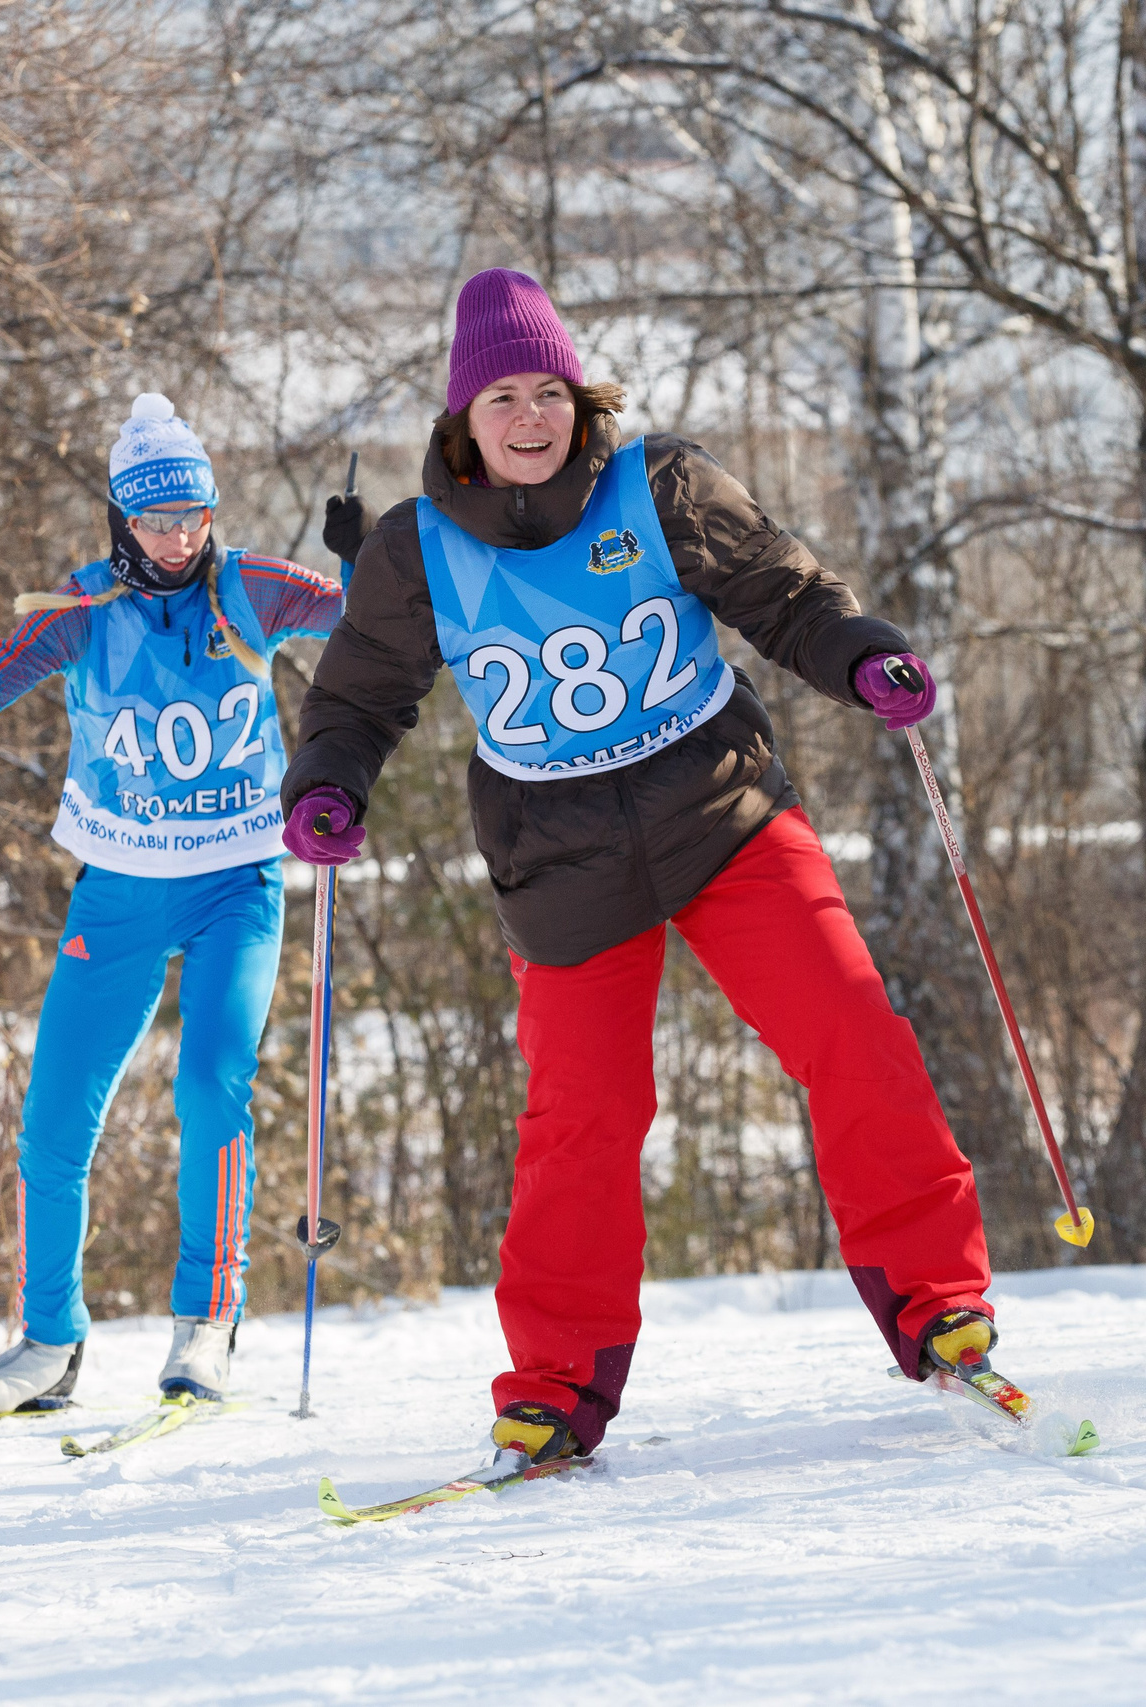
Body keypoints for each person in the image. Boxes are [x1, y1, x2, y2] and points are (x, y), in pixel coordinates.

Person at [282, 268, 996, 1468]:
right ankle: (554, 1390)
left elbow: (787, 596)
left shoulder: (657, 487)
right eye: (502, 398)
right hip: (557, 856)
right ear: (463, 420)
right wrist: (326, 789)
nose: (529, 417)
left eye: (548, 392)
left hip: (722, 811)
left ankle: (941, 1309)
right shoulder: (415, 551)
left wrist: (861, 656)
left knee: (852, 1028)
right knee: (583, 1121)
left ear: (579, 400)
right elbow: (356, 701)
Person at [0, 394, 354, 1414]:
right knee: (54, 1119)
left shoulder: (250, 587)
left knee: (211, 1087)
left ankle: (206, 1321)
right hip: (121, 888)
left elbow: (373, 618)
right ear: (120, 520)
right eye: (155, 519)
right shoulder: (83, 608)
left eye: (192, 515)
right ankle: (47, 1344)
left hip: (236, 882)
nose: (178, 538)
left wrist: (367, 559)